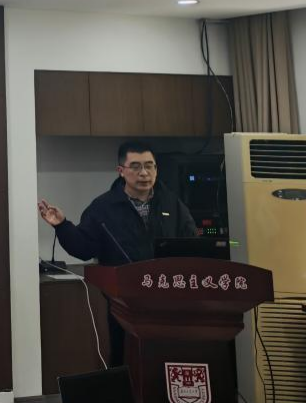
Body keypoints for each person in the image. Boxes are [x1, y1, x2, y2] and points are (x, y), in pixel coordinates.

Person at [37, 140, 197, 367]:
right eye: (136, 167)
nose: (144, 173)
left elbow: (191, 243)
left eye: (149, 166)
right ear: (121, 170)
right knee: (127, 360)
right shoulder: (103, 207)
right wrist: (62, 226)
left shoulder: (172, 203)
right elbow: (84, 249)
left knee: (167, 361)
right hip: (124, 303)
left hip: (167, 300)